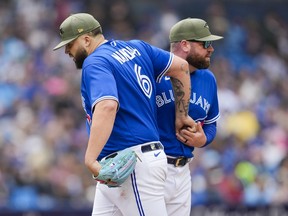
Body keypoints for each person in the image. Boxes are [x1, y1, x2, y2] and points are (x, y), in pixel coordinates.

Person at [53, 13, 195, 216]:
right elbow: (181, 67)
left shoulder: (95, 62)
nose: (67, 50)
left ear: (86, 39)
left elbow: (107, 105)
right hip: (120, 168)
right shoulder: (137, 47)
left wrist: (90, 158)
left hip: (133, 164)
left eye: (70, 44)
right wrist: (182, 115)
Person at [156, 18, 223, 215]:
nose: (211, 49)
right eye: (206, 44)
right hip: (152, 169)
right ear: (185, 44)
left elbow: (211, 124)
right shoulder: (155, 74)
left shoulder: (208, 79)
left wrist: (204, 139)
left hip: (183, 170)